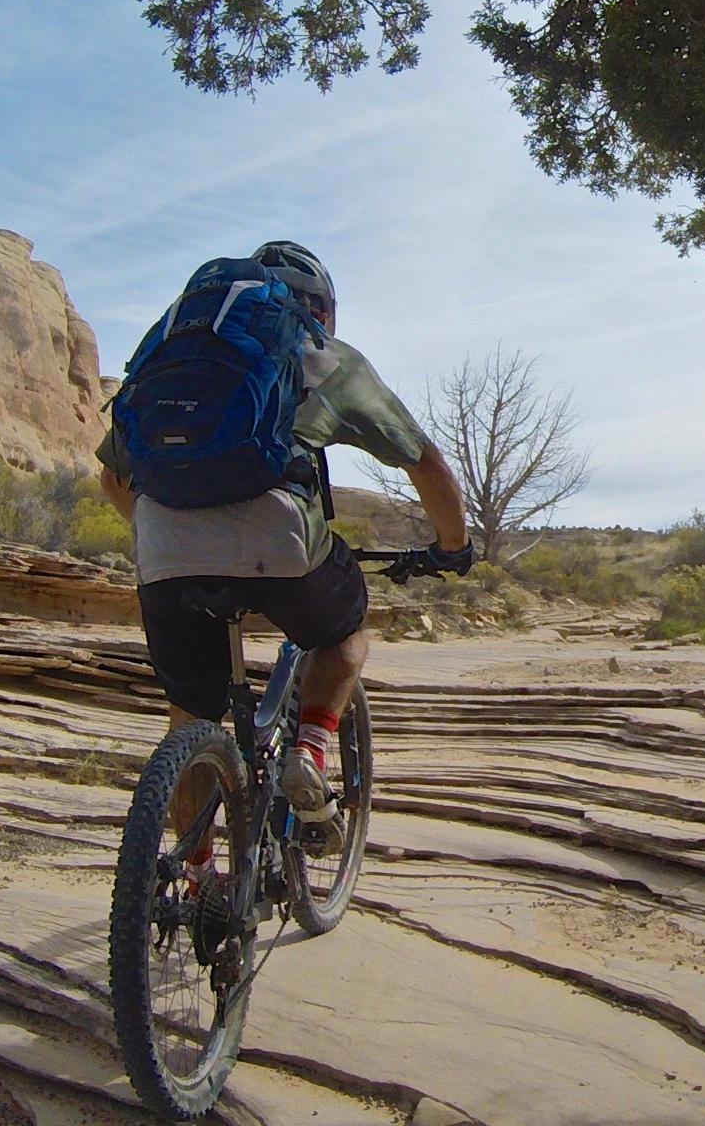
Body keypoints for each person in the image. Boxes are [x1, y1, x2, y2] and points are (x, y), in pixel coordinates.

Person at [97, 240, 472, 834]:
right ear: (320, 308)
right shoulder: (329, 357)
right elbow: (426, 465)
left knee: (190, 714)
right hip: (281, 544)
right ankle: (310, 751)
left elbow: (113, 477)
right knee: (344, 632)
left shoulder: (173, 350)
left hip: (165, 549)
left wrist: (176, 538)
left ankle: (191, 880)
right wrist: (454, 547)